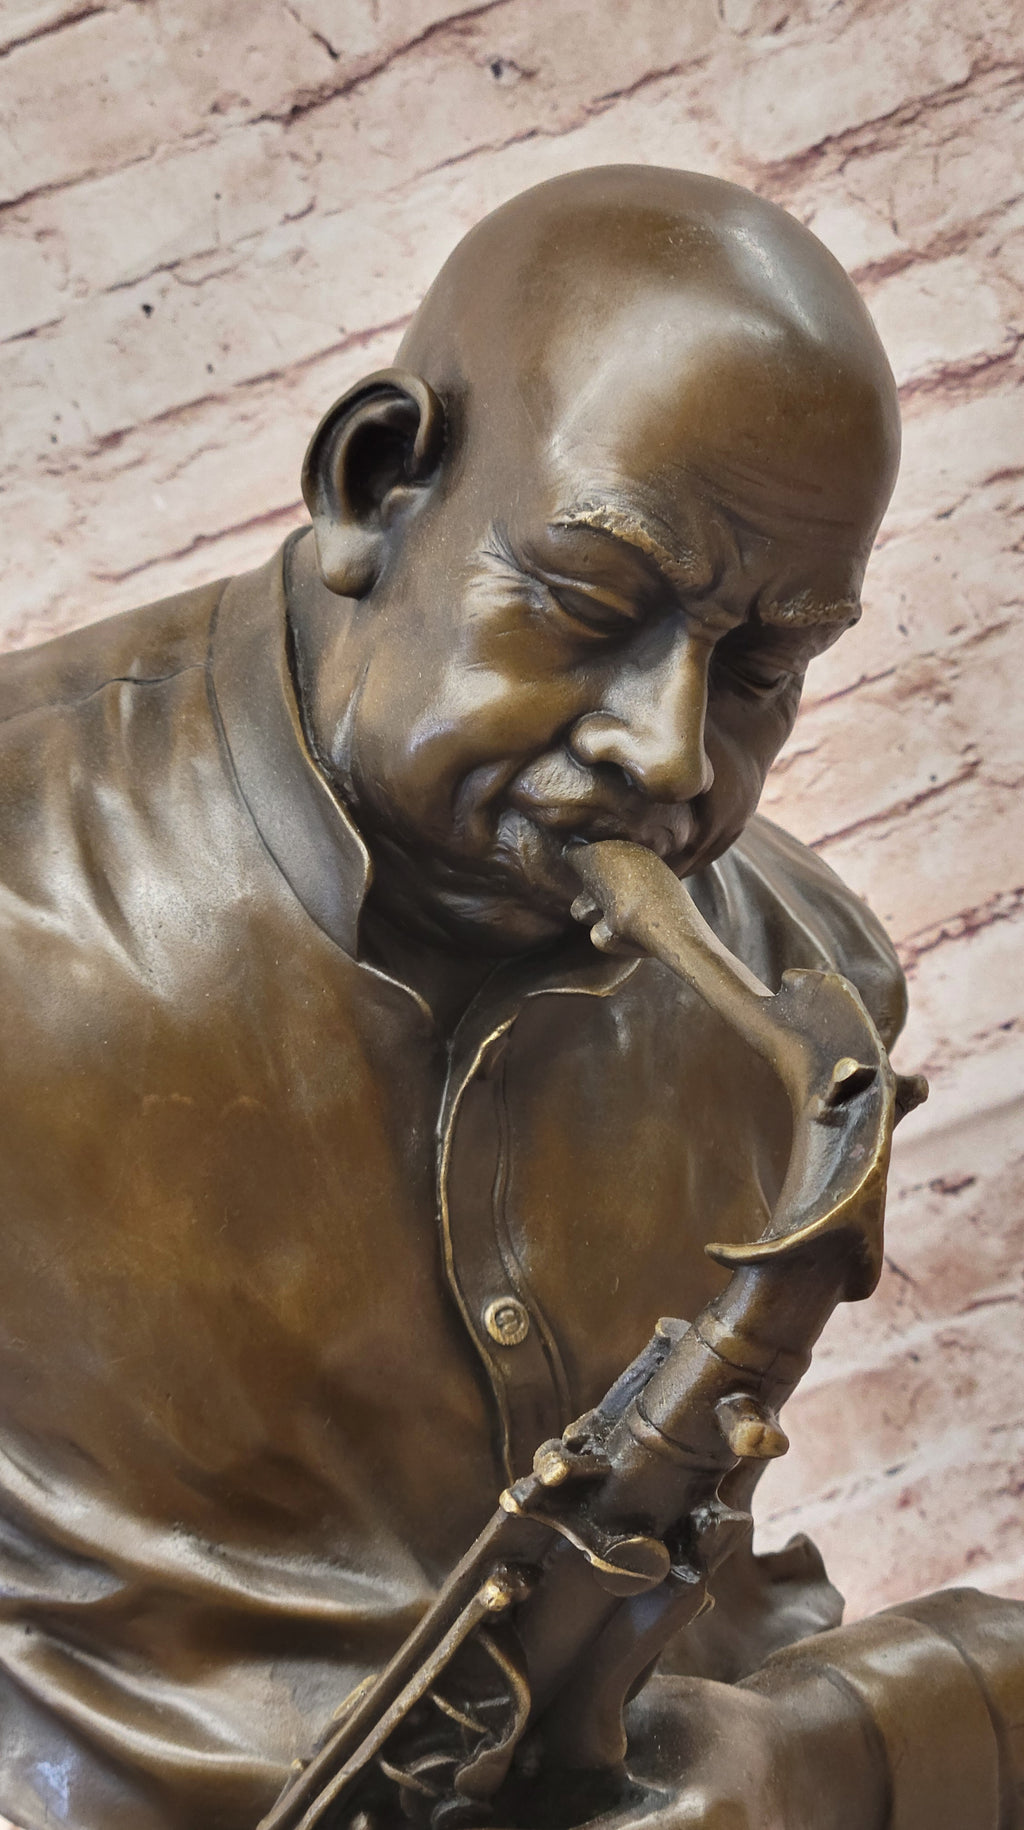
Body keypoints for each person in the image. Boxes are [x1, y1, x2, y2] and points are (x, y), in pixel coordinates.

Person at [0, 165, 1019, 1830]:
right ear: (376, 482)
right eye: (597, 600)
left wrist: (816, 1748)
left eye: (762, 668)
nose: (670, 756)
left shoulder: (801, 987)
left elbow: (715, 1621)